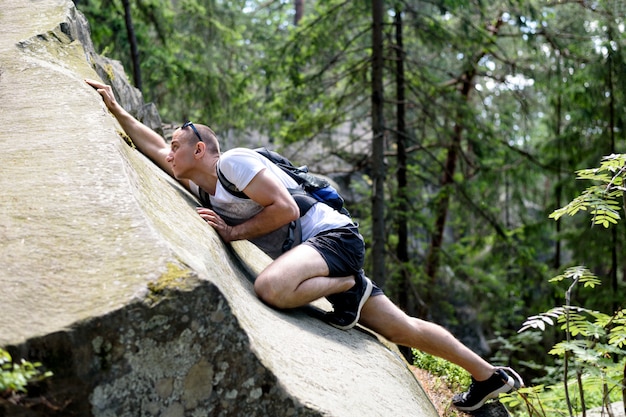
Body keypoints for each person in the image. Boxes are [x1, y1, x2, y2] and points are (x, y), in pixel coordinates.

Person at [86, 78, 522, 412]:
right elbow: (153, 146)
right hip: (316, 256)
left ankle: (345, 284)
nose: (168, 152)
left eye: (177, 146)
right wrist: (115, 107)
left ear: (201, 150)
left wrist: (233, 233)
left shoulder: (234, 163)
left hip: (331, 239)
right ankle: (488, 377)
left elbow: (285, 210)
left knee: (271, 288)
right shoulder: (203, 186)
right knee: (400, 328)